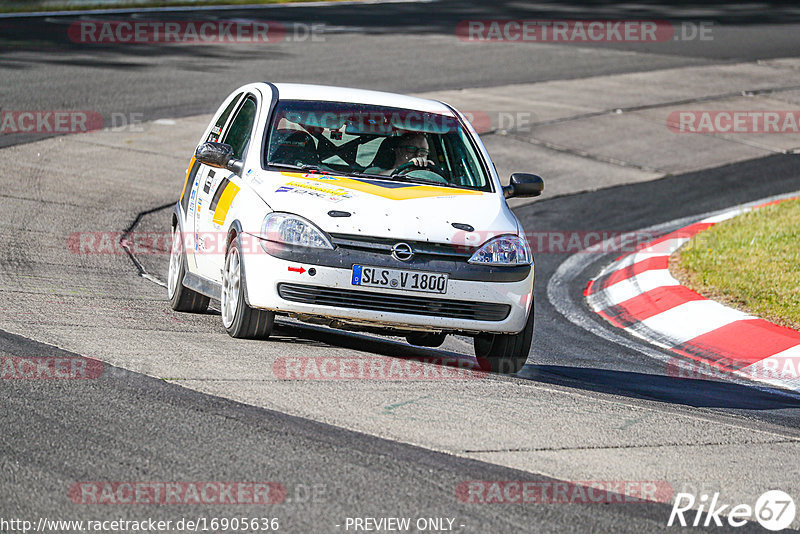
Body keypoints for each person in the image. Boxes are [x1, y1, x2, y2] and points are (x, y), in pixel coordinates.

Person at [366, 132, 435, 175]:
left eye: (423, 151)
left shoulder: (428, 176)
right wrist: (407, 169)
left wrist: (432, 173)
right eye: (411, 149)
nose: (418, 154)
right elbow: (370, 182)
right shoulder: (374, 170)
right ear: (398, 150)